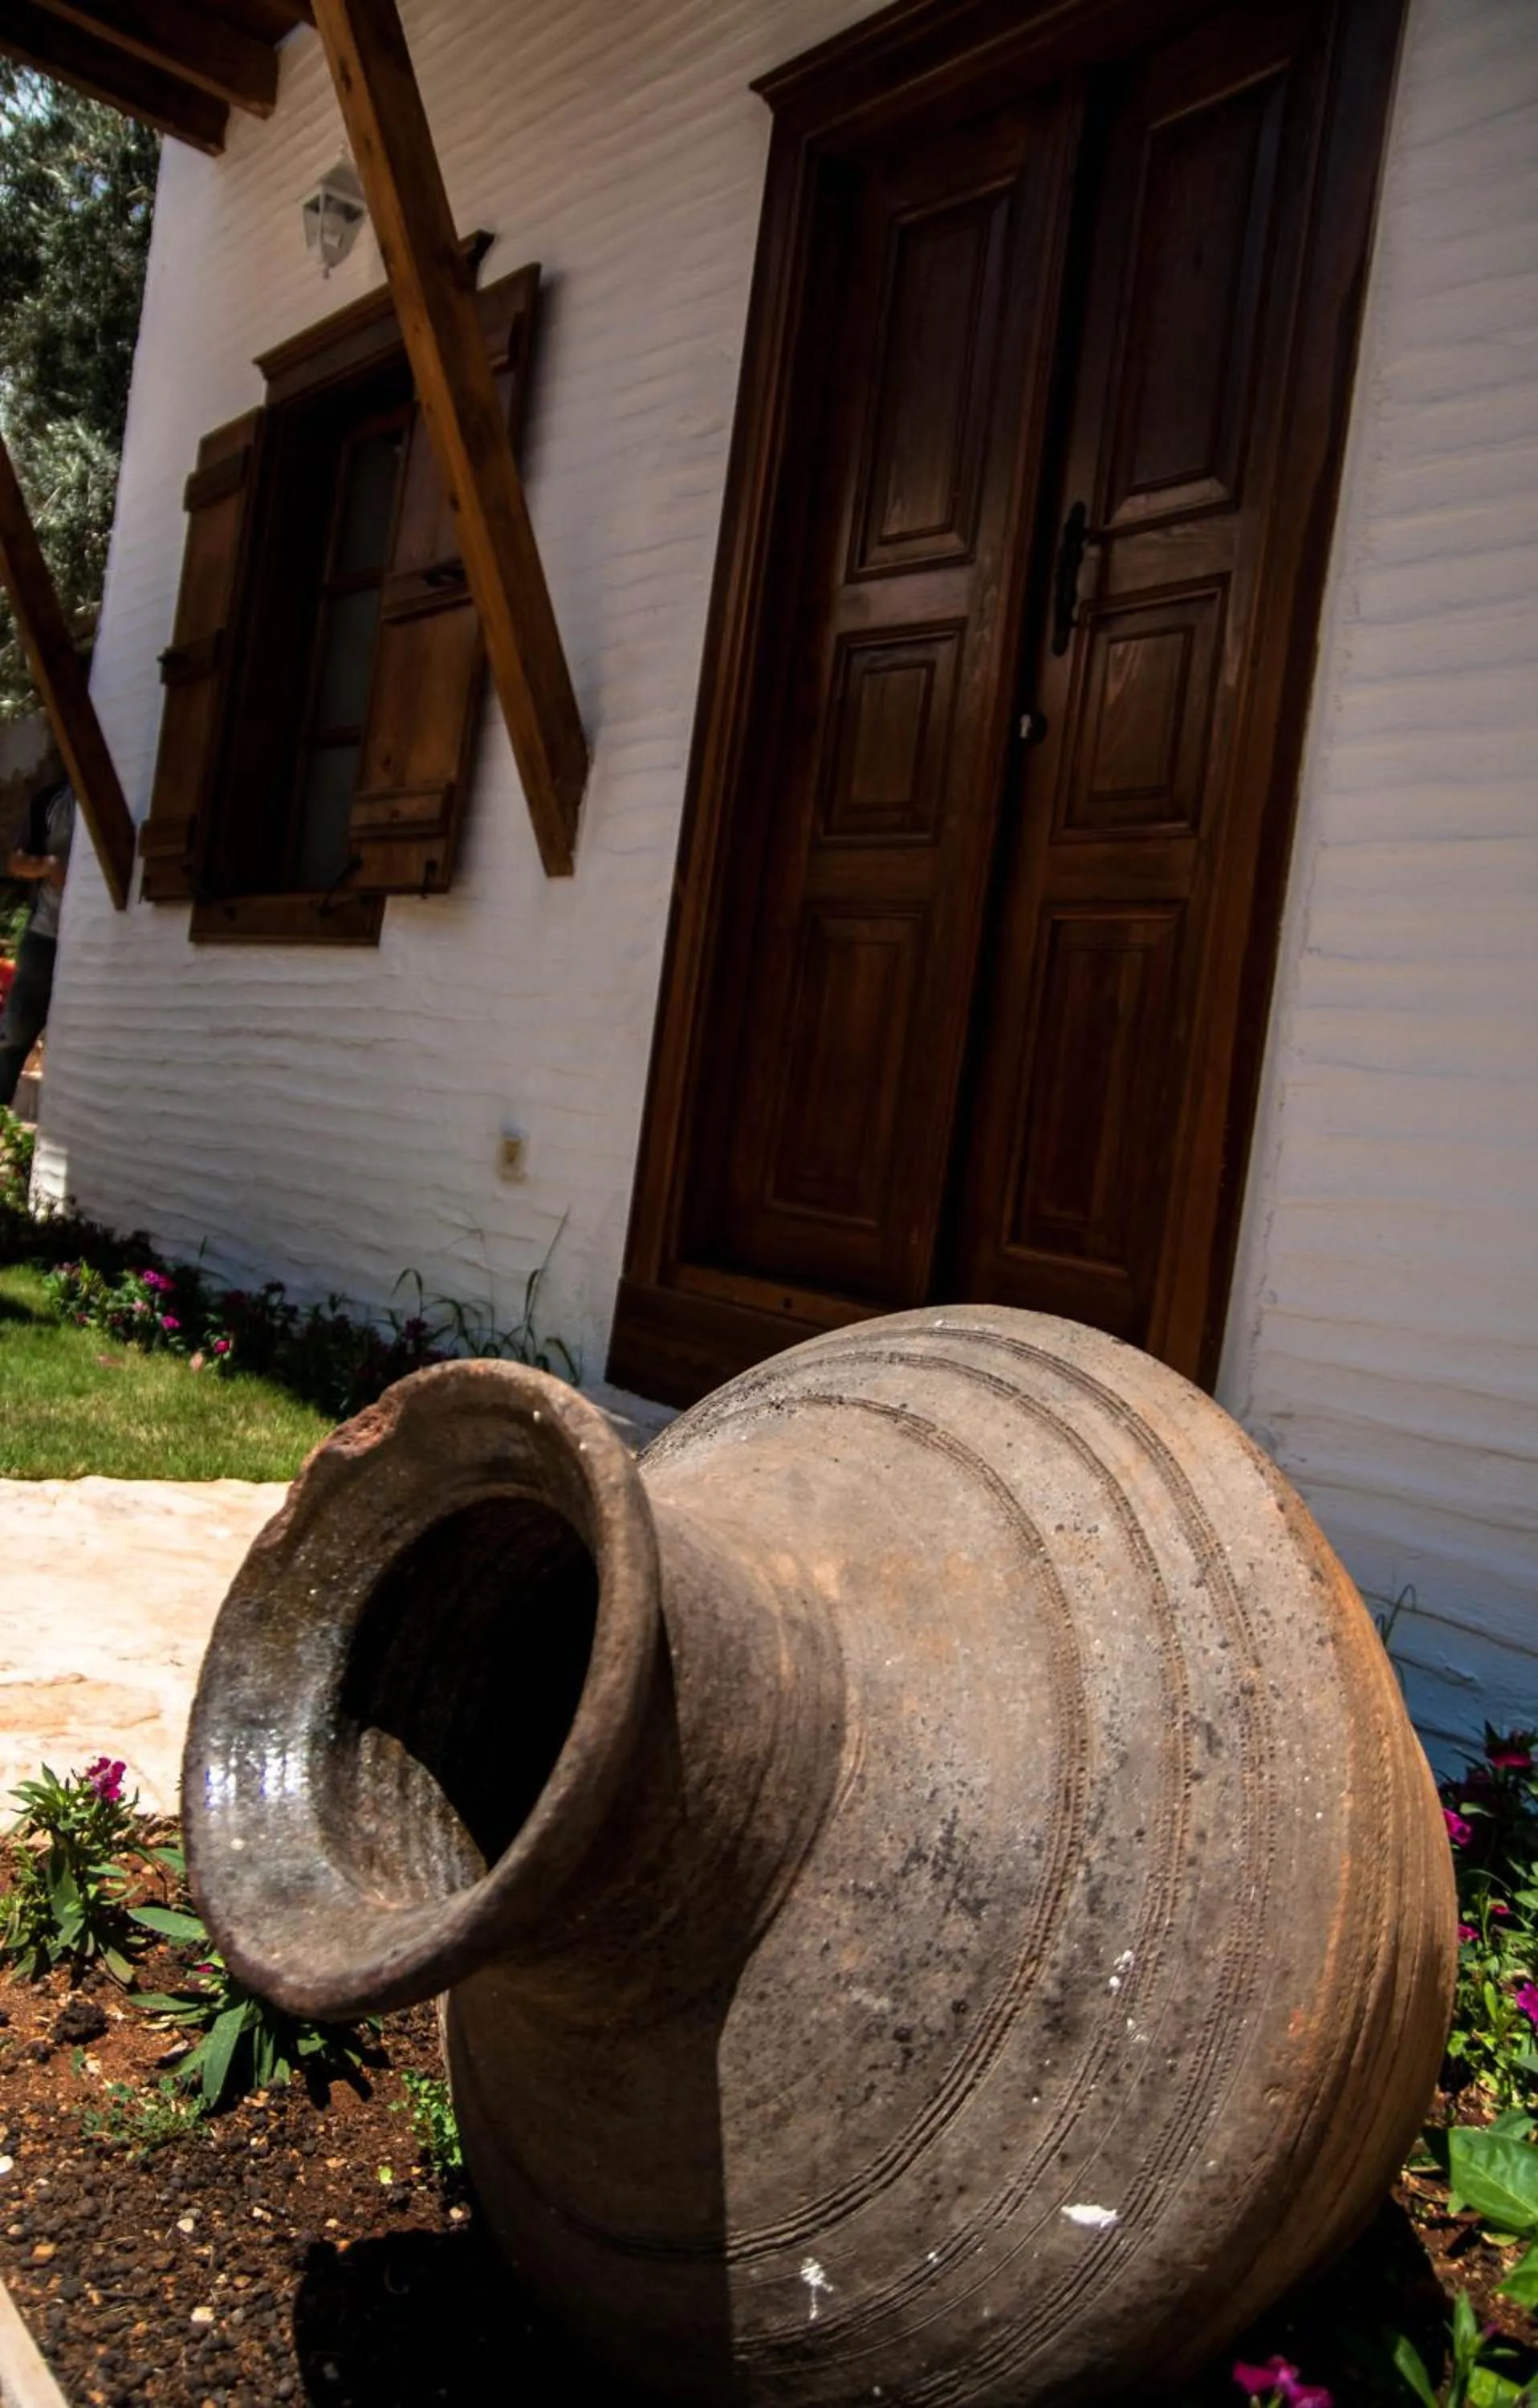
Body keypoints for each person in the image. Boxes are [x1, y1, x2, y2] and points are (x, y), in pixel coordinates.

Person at [0, 777, 73, 1111]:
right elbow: (16, 861)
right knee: (15, 1031)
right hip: (47, 933)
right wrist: (48, 866)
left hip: (96, 942)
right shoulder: (53, 799)